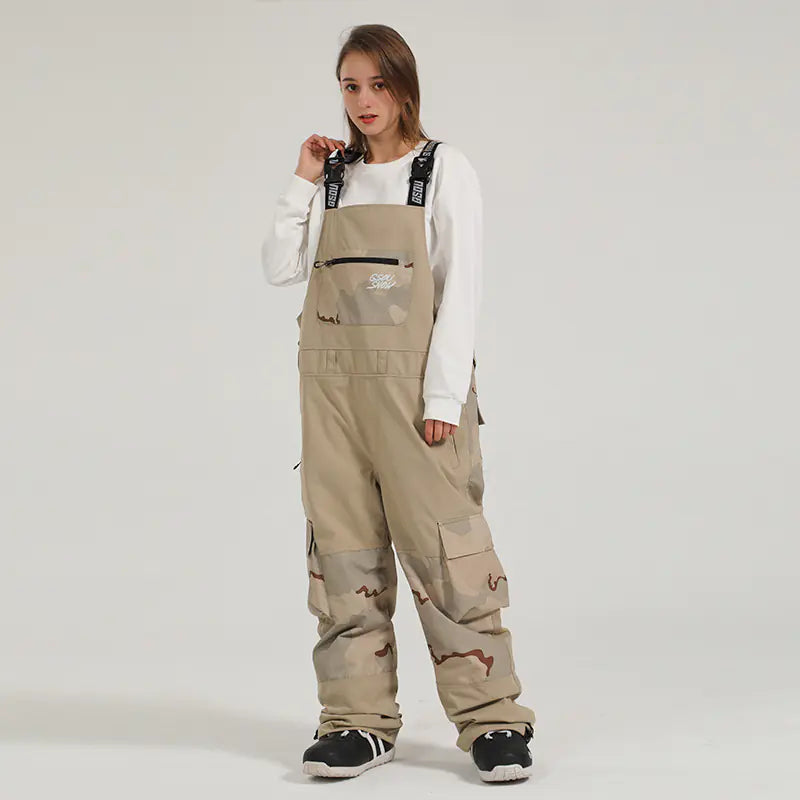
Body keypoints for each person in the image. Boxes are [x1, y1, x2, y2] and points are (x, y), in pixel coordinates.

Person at [261, 24, 536, 783]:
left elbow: (461, 289)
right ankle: (356, 722)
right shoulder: (334, 176)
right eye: (350, 86)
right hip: (332, 396)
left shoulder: (442, 170)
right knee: (342, 552)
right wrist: (302, 181)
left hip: (417, 394)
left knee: (447, 552)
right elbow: (280, 266)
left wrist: (443, 395)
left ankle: (492, 720)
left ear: (405, 87)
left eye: (377, 85)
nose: (363, 100)